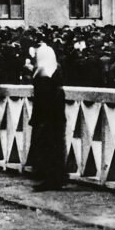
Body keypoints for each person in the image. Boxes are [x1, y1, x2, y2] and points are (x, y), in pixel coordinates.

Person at [28, 43, 66, 192]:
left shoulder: (43, 76)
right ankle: (56, 178)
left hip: (46, 118)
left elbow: (41, 100)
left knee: (46, 148)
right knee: (55, 148)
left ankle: (48, 179)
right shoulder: (55, 72)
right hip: (56, 117)